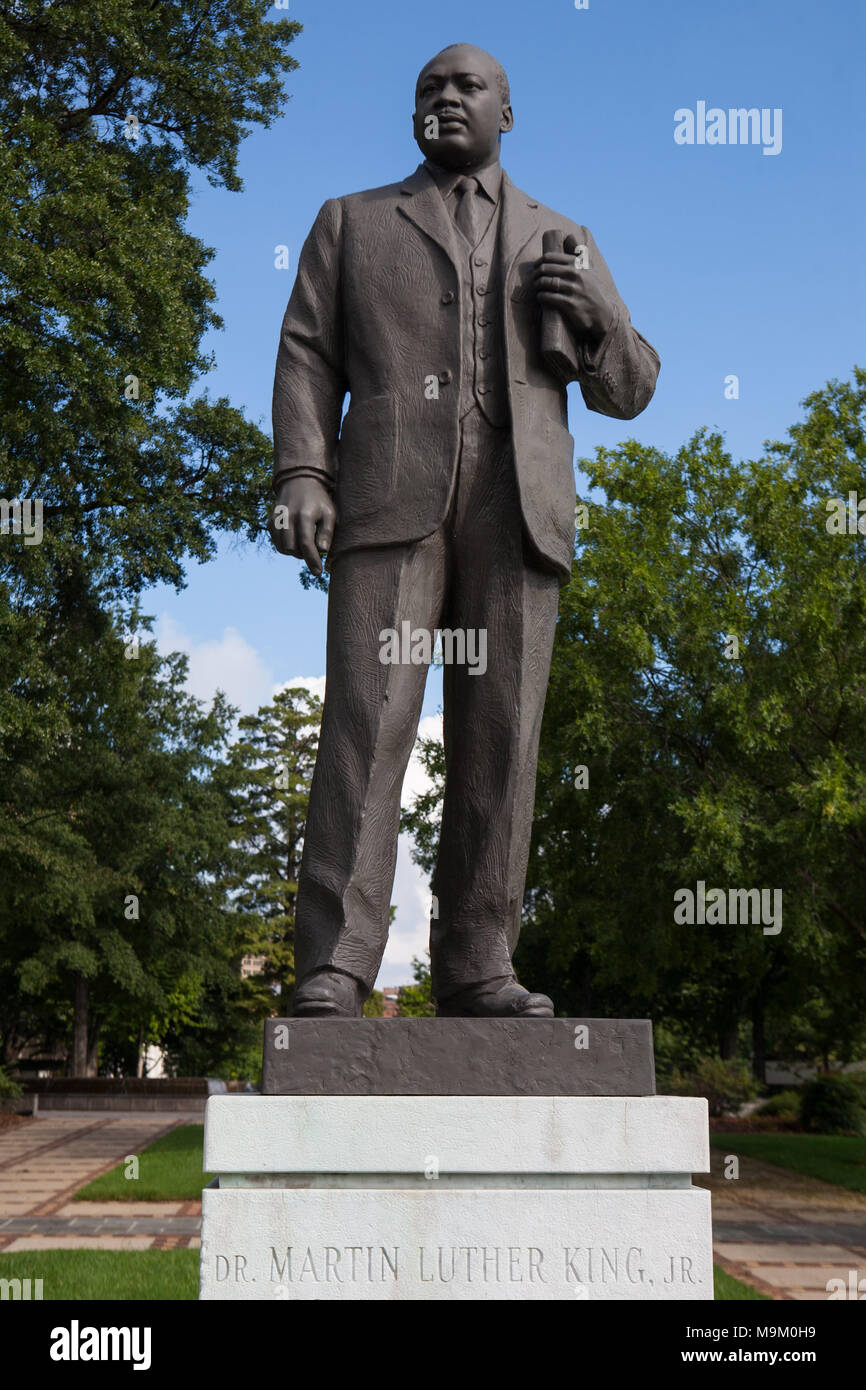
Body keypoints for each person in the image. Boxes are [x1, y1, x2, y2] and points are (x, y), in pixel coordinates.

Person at [269, 44, 659, 1017]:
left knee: (502, 741)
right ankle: (338, 963)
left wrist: (597, 316)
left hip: (516, 509)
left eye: (463, 86)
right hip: (388, 503)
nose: (443, 99)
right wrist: (303, 473)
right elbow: (308, 358)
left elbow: (633, 388)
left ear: (506, 112)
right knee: (364, 727)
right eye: (426, 90)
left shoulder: (560, 235)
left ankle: (479, 963)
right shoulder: (350, 224)